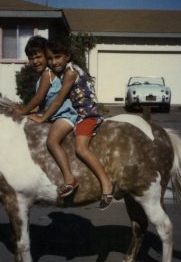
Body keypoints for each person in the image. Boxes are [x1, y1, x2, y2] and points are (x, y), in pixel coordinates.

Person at [28, 37, 115, 210]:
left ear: (67, 56)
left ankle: (106, 184)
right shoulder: (64, 71)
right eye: (51, 58)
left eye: (57, 57)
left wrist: (43, 118)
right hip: (81, 114)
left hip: (87, 115)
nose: (53, 62)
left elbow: (59, 100)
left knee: (81, 148)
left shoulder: (70, 73)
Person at [15, 36, 79, 198]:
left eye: (38, 56)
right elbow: (42, 103)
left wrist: (23, 111)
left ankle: (70, 179)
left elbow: (38, 98)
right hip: (54, 114)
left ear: (46, 56)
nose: (35, 61)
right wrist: (31, 111)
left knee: (52, 141)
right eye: (31, 58)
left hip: (64, 114)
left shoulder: (47, 74)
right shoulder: (45, 75)